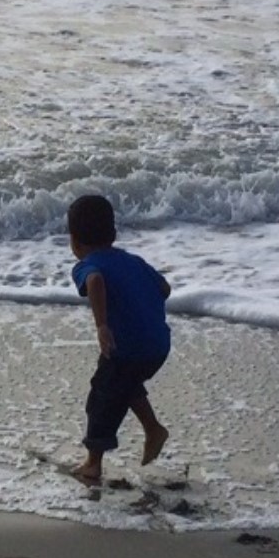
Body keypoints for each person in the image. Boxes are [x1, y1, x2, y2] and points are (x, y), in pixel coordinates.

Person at [66, 193, 172, 484]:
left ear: (74, 241)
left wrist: (102, 325)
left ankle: (93, 464)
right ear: (113, 234)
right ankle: (153, 429)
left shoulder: (86, 265)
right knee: (124, 384)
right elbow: (165, 288)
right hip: (159, 345)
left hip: (129, 347)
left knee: (101, 397)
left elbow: (95, 281)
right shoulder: (134, 261)